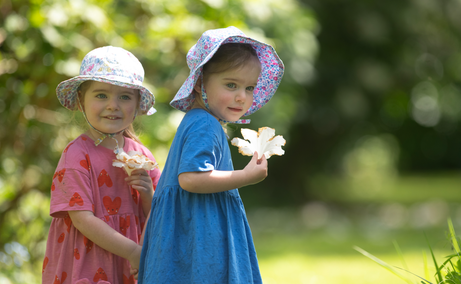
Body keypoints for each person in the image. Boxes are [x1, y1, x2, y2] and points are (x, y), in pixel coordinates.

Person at [137, 26, 284, 283]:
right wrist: (245, 176)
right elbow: (191, 178)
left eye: (249, 88)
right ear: (200, 83)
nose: (241, 97)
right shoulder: (205, 124)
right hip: (197, 237)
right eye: (231, 85)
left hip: (191, 231)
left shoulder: (202, 120)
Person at [42, 46, 161, 284]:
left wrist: (148, 195)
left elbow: (161, 215)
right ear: (80, 101)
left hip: (134, 265)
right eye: (101, 95)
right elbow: (82, 218)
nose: (113, 105)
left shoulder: (142, 156)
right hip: (88, 262)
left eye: (125, 96)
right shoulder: (77, 154)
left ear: (138, 104)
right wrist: (132, 252)